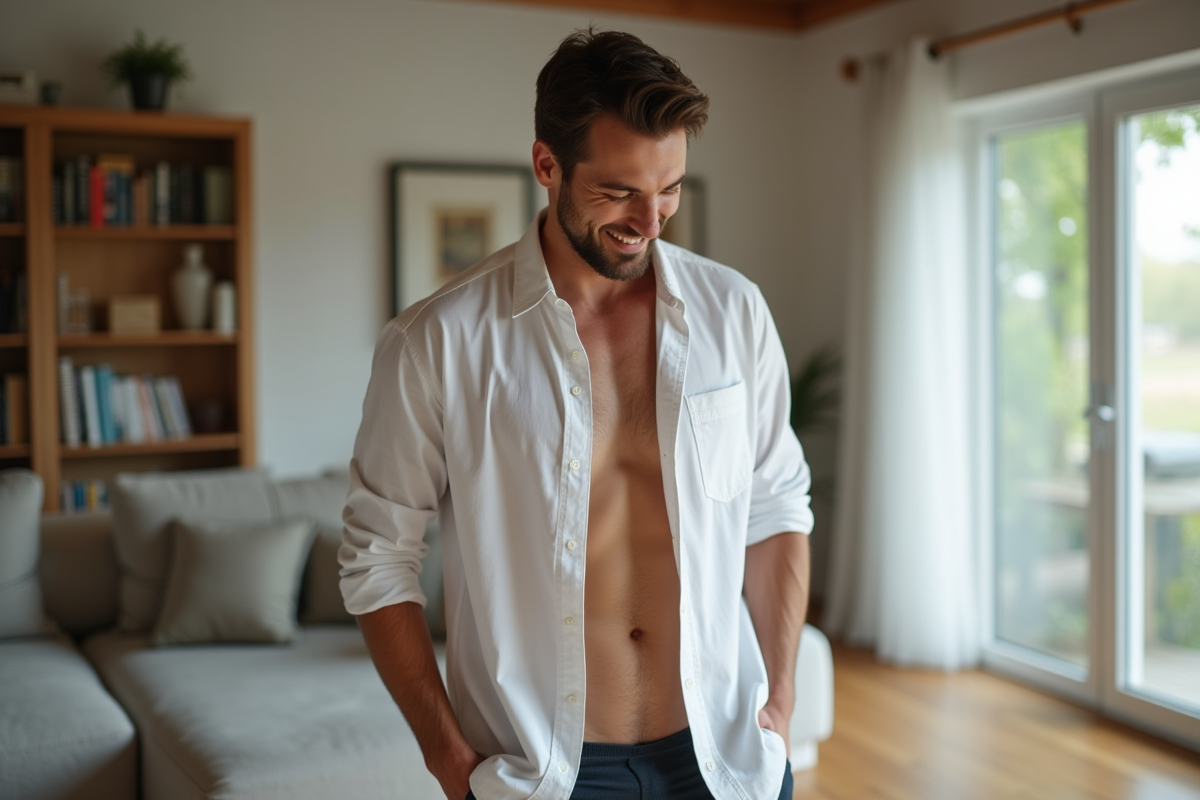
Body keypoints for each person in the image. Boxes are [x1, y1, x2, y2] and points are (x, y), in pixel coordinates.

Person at [341, 27, 813, 800]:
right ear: (546, 165)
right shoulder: (439, 340)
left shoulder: (735, 314)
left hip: (726, 757)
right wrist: (448, 761)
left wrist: (783, 700)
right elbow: (376, 559)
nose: (650, 218)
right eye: (619, 190)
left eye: (669, 188)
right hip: (545, 774)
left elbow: (777, 506)